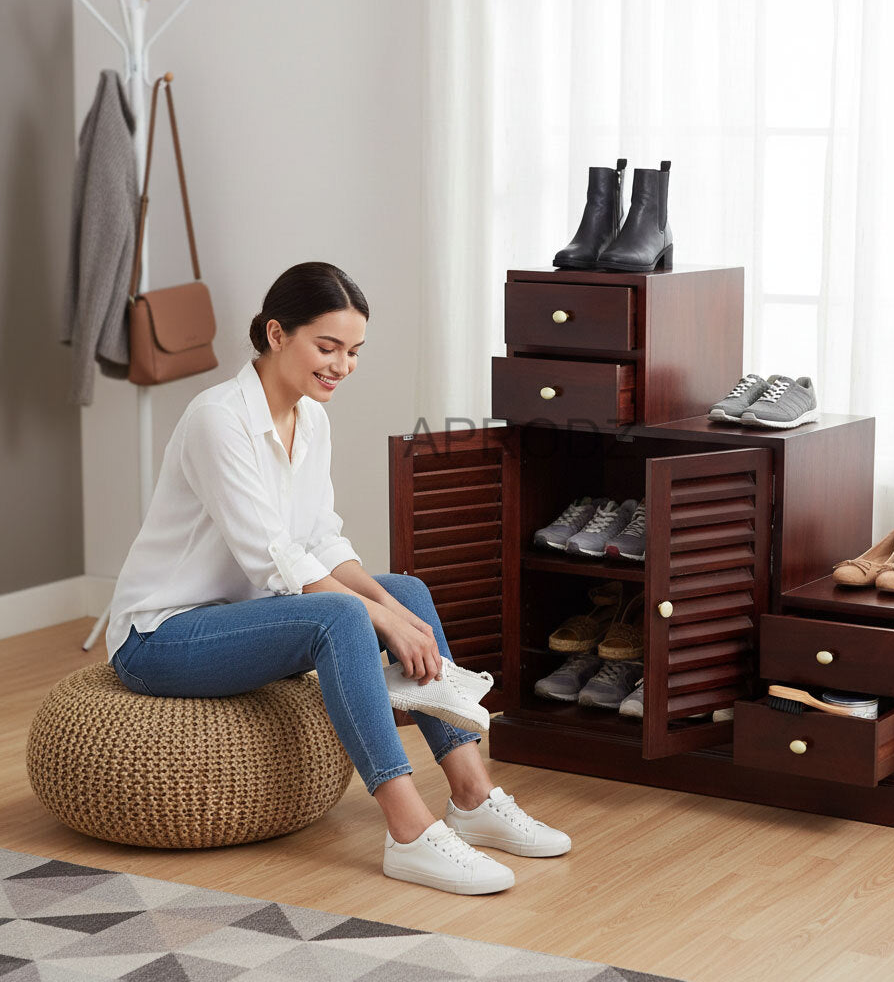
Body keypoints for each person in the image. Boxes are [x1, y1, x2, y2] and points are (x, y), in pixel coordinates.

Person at [106, 261, 570, 895]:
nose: (342, 365)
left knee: (405, 590)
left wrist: (394, 608)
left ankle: (472, 795)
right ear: (276, 334)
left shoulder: (310, 418)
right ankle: (408, 831)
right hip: (161, 637)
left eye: (353, 351)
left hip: (243, 614)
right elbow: (272, 558)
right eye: (327, 347)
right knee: (348, 613)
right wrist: (375, 618)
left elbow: (320, 539)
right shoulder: (218, 419)